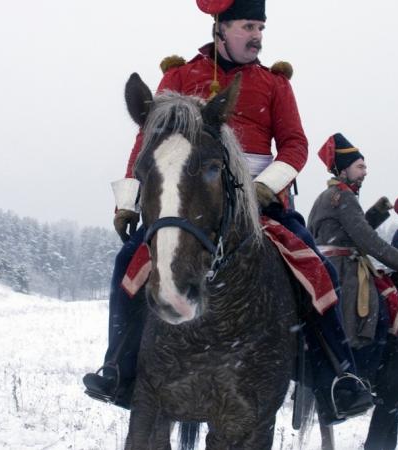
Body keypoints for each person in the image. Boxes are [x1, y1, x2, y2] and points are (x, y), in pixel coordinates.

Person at [83, 0, 372, 424]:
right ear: (221, 27)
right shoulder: (180, 76)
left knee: (314, 266)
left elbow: (295, 145)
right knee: (128, 262)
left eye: (260, 27)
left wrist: (264, 185)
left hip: (262, 202)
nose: (256, 36)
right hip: (192, 199)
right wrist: (128, 201)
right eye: (247, 26)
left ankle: (339, 376)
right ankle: (117, 367)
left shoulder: (275, 84)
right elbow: (148, 142)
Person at [307, 133, 398, 385]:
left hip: (329, 268)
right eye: (360, 166)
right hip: (345, 272)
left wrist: (376, 213)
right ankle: (363, 379)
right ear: (344, 170)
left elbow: (346, 233)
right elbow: (365, 239)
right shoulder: (343, 196)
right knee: (378, 318)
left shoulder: (326, 196)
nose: (365, 171)